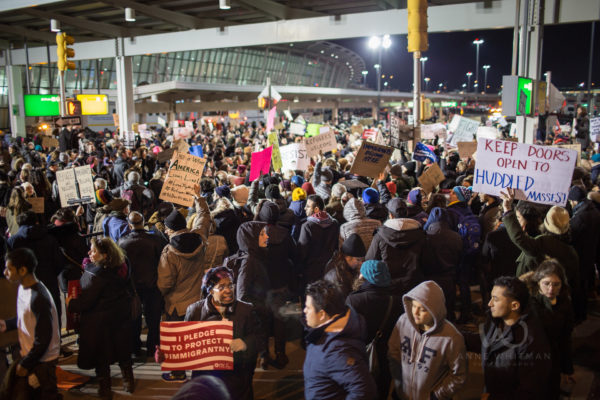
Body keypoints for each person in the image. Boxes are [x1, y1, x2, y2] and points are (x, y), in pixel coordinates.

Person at [158, 267, 259, 400]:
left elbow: (259, 339)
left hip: (237, 381)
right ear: (210, 290)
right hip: (205, 382)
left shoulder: (246, 310)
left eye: (230, 285)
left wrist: (245, 344)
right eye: (221, 287)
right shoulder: (195, 311)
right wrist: (166, 355)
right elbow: (184, 344)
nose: (228, 290)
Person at [66, 238, 134, 399]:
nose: (90, 253)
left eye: (94, 251)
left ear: (105, 255)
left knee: (102, 356)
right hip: (120, 318)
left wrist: (71, 303)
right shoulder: (121, 268)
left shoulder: (96, 275)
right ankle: (128, 381)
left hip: (99, 323)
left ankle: (105, 388)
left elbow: (86, 301)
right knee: (123, 352)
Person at [157, 187, 211, 382]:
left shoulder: (169, 252)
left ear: (171, 230)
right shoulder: (200, 238)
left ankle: (178, 372)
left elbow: (165, 282)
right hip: (197, 300)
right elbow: (204, 217)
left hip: (176, 305)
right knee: (196, 339)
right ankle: (199, 373)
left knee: (178, 341)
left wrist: (162, 294)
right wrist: (199, 198)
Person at [500, 188, 580, 317]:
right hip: (558, 302)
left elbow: (518, 238)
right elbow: (576, 284)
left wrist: (507, 209)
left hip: (535, 299)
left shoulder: (542, 243)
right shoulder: (571, 251)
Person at [388, 280, 467, 400]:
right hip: (403, 394)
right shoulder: (403, 321)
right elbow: (393, 351)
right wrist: (399, 383)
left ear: (435, 310)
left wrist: (437, 395)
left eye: (422, 309)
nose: (415, 312)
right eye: (413, 306)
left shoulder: (451, 337)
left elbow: (458, 375)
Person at [0, 248, 60, 400]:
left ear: (22, 270)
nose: (5, 272)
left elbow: (44, 338)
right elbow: (27, 318)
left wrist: (26, 363)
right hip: (32, 356)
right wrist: (7, 324)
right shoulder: (22, 288)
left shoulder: (39, 298)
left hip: (43, 362)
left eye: (9, 269)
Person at [479, 276, 551, 399]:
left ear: (514, 305)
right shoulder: (496, 320)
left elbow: (529, 391)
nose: (489, 303)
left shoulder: (531, 342)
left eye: (495, 299)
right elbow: (485, 341)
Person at [303, 280, 376, 399]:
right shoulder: (326, 332)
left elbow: (364, 390)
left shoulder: (336, 350)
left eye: (307, 307)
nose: (304, 311)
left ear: (322, 315)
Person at [346, 260, 403, 400]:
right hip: (386, 356)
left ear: (365, 277)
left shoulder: (354, 300)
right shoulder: (396, 301)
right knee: (381, 391)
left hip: (360, 355)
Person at [118, 211, 168, 359]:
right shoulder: (156, 240)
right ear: (144, 222)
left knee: (134, 318)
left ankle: (135, 348)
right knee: (153, 319)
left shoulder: (122, 242)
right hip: (153, 285)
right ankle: (154, 346)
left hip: (132, 287)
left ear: (129, 224)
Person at [524, 260, 575, 399]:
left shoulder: (565, 303)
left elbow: (566, 337)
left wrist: (567, 368)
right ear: (538, 282)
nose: (551, 289)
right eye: (546, 284)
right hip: (530, 361)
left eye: (556, 284)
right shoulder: (528, 303)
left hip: (553, 360)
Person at [366, 198, 425, 295]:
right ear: (406, 213)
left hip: (388, 286)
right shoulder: (420, 233)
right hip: (415, 285)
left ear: (390, 215)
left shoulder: (380, 235)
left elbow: (370, 259)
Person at [422, 207, 463, 321]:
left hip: (429, 279)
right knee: (448, 309)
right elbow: (459, 259)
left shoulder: (425, 237)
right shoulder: (456, 237)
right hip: (449, 279)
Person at [567, 185, 600, 321]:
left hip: (582, 254)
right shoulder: (593, 210)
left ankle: (580, 314)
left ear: (574, 201)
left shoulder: (580, 217)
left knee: (580, 285)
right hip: (591, 251)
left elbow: (571, 236)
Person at [298, 194, 340, 284]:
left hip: (312, 271)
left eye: (308, 206)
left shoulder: (307, 226)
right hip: (330, 269)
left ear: (316, 209)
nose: (305, 208)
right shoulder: (334, 223)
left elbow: (302, 252)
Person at [324, 233, 366, 297]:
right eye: (358, 260)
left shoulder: (341, 265)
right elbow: (349, 299)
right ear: (347, 257)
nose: (361, 263)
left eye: (362, 260)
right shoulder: (338, 276)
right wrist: (359, 281)